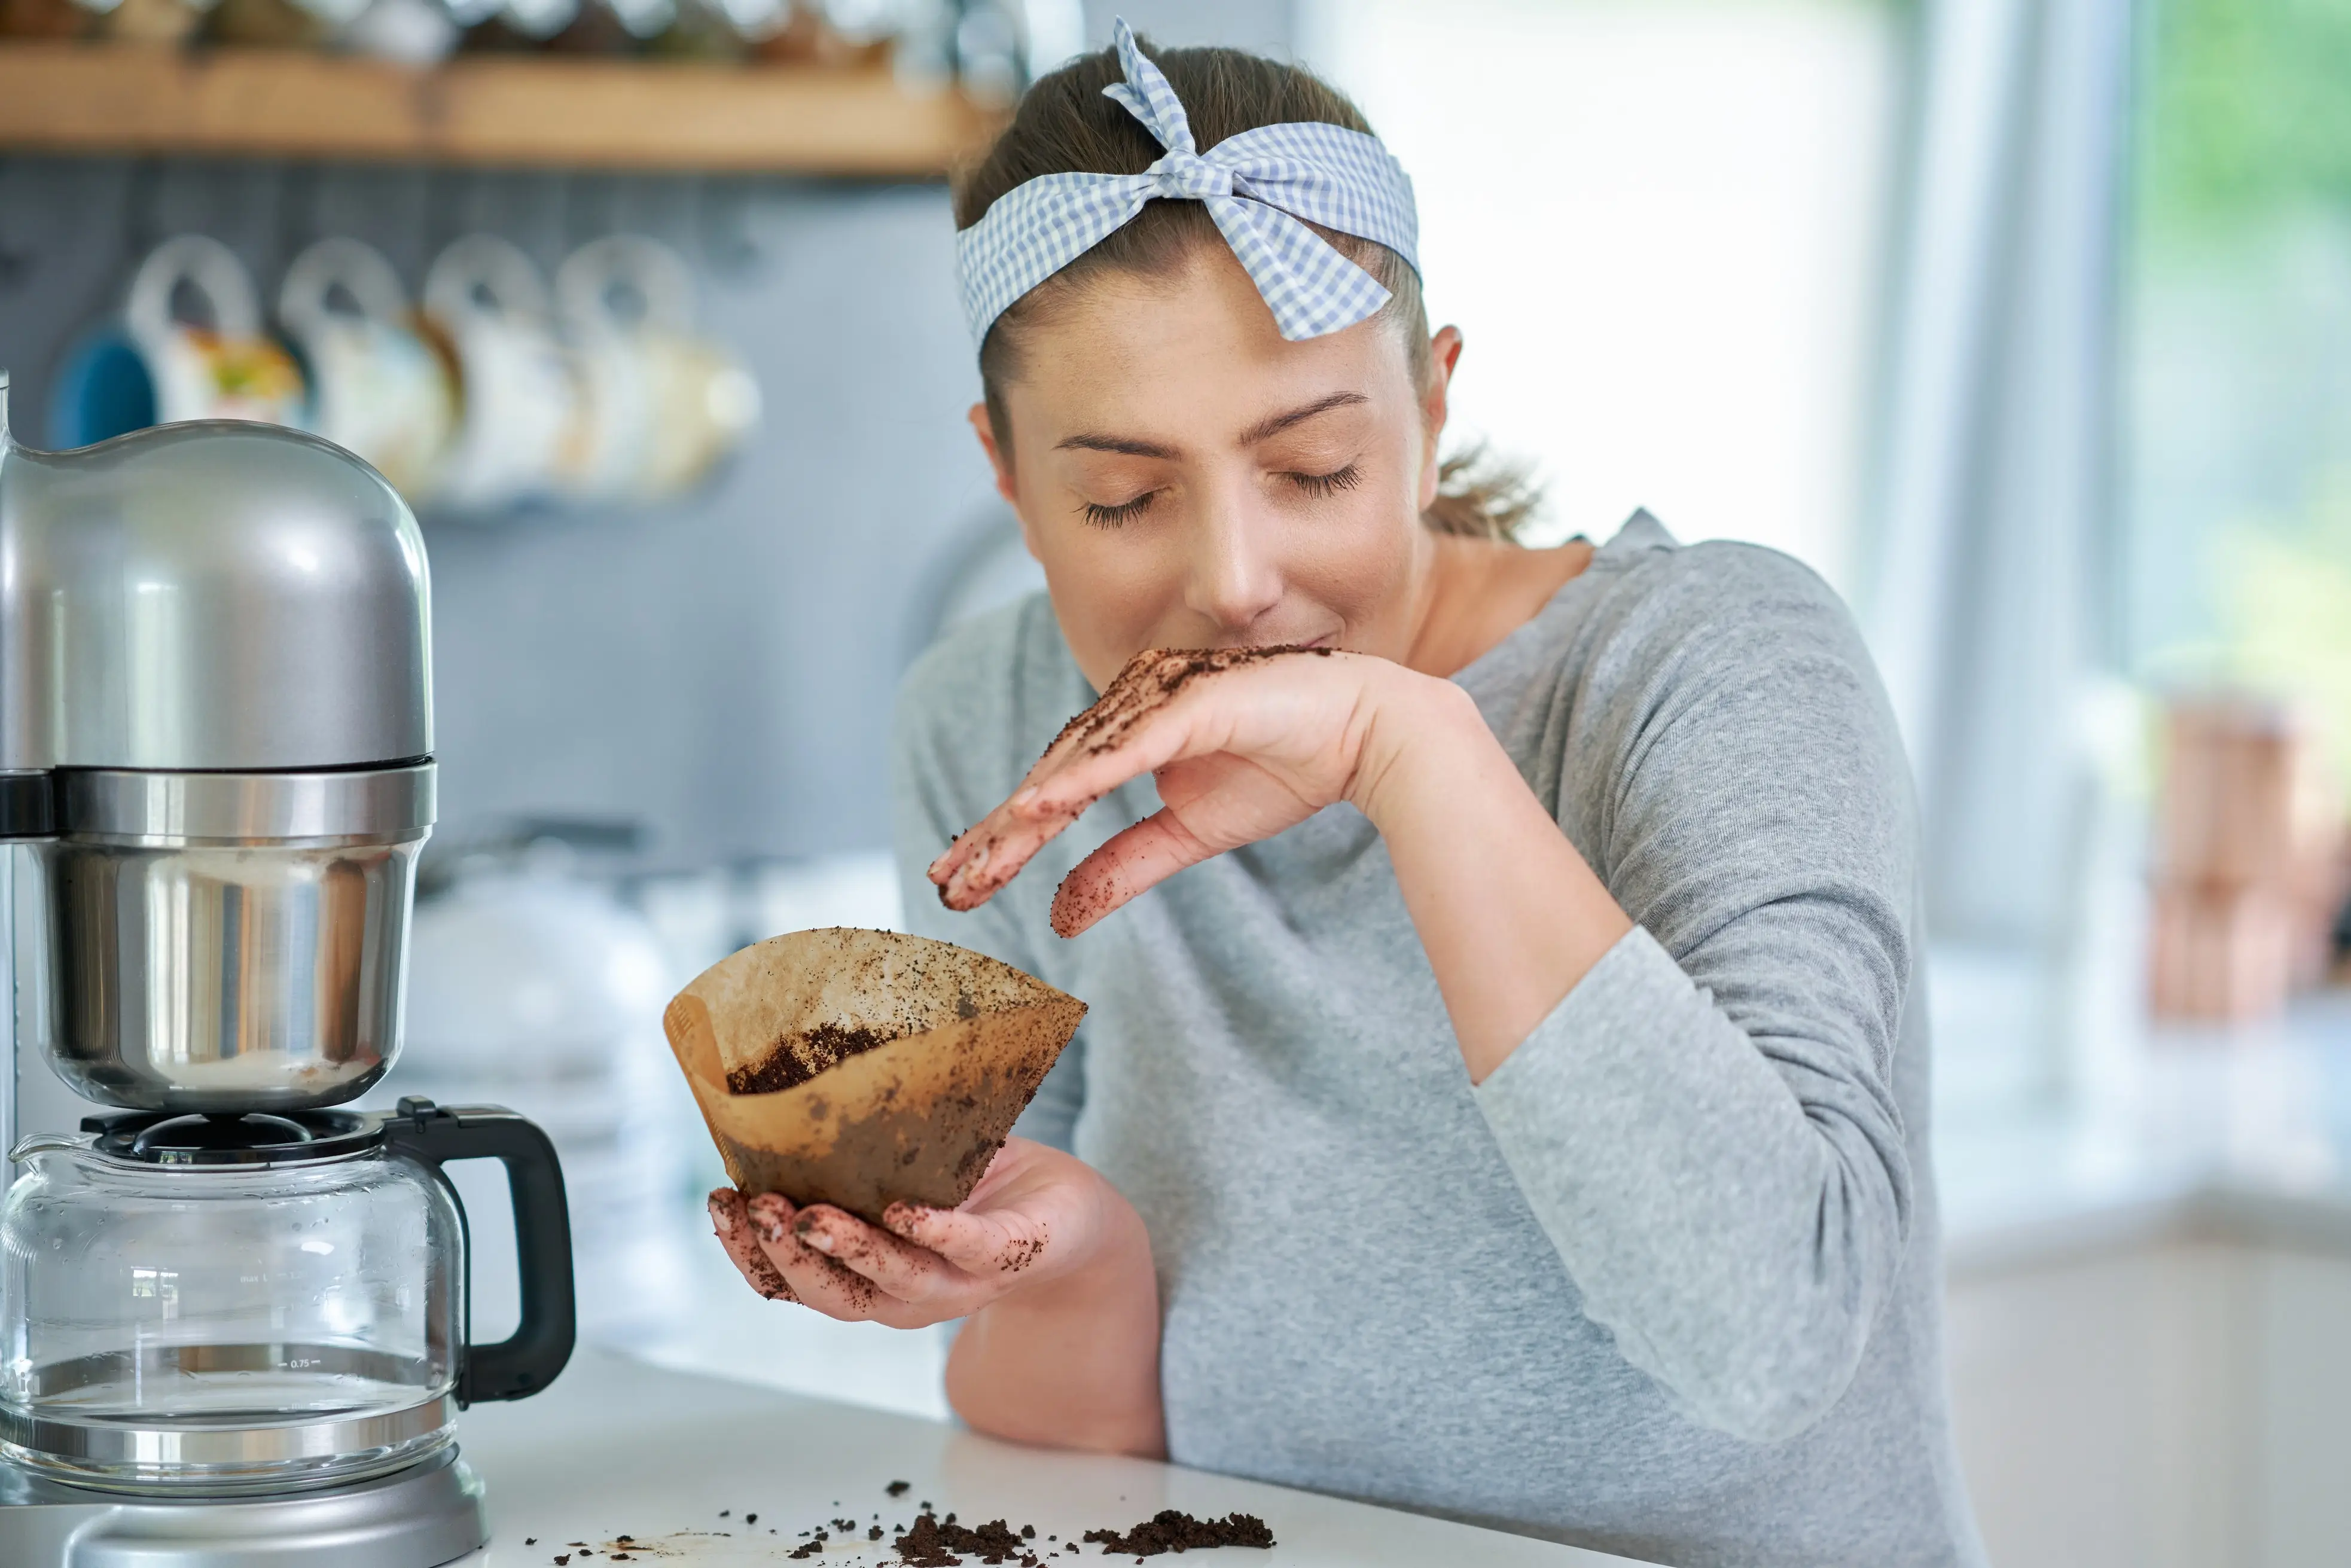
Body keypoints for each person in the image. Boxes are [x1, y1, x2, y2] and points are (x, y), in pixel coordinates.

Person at [705, 23, 1985, 1568]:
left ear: (1433, 410)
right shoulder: (987, 727)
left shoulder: (1714, 664)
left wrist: (1415, 751)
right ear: (1007, 477)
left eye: (1312, 468)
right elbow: (1085, 1467)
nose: (1237, 582)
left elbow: (1776, 1337)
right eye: (1122, 497)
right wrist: (1069, 1249)